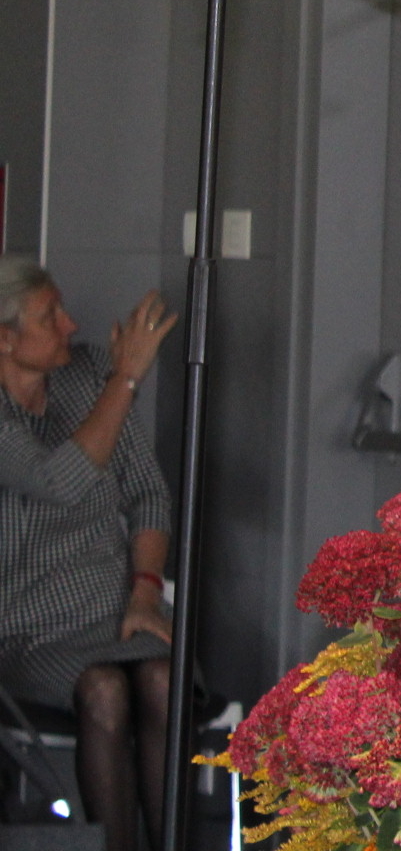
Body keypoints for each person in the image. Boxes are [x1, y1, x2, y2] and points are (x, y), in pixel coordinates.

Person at [0, 257, 179, 851]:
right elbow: (58, 481)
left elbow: (149, 494)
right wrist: (125, 382)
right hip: (26, 632)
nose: (71, 325)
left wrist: (146, 589)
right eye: (49, 316)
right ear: (4, 339)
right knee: (105, 691)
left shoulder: (89, 376)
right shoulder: (106, 385)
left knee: (163, 680)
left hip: (117, 611)